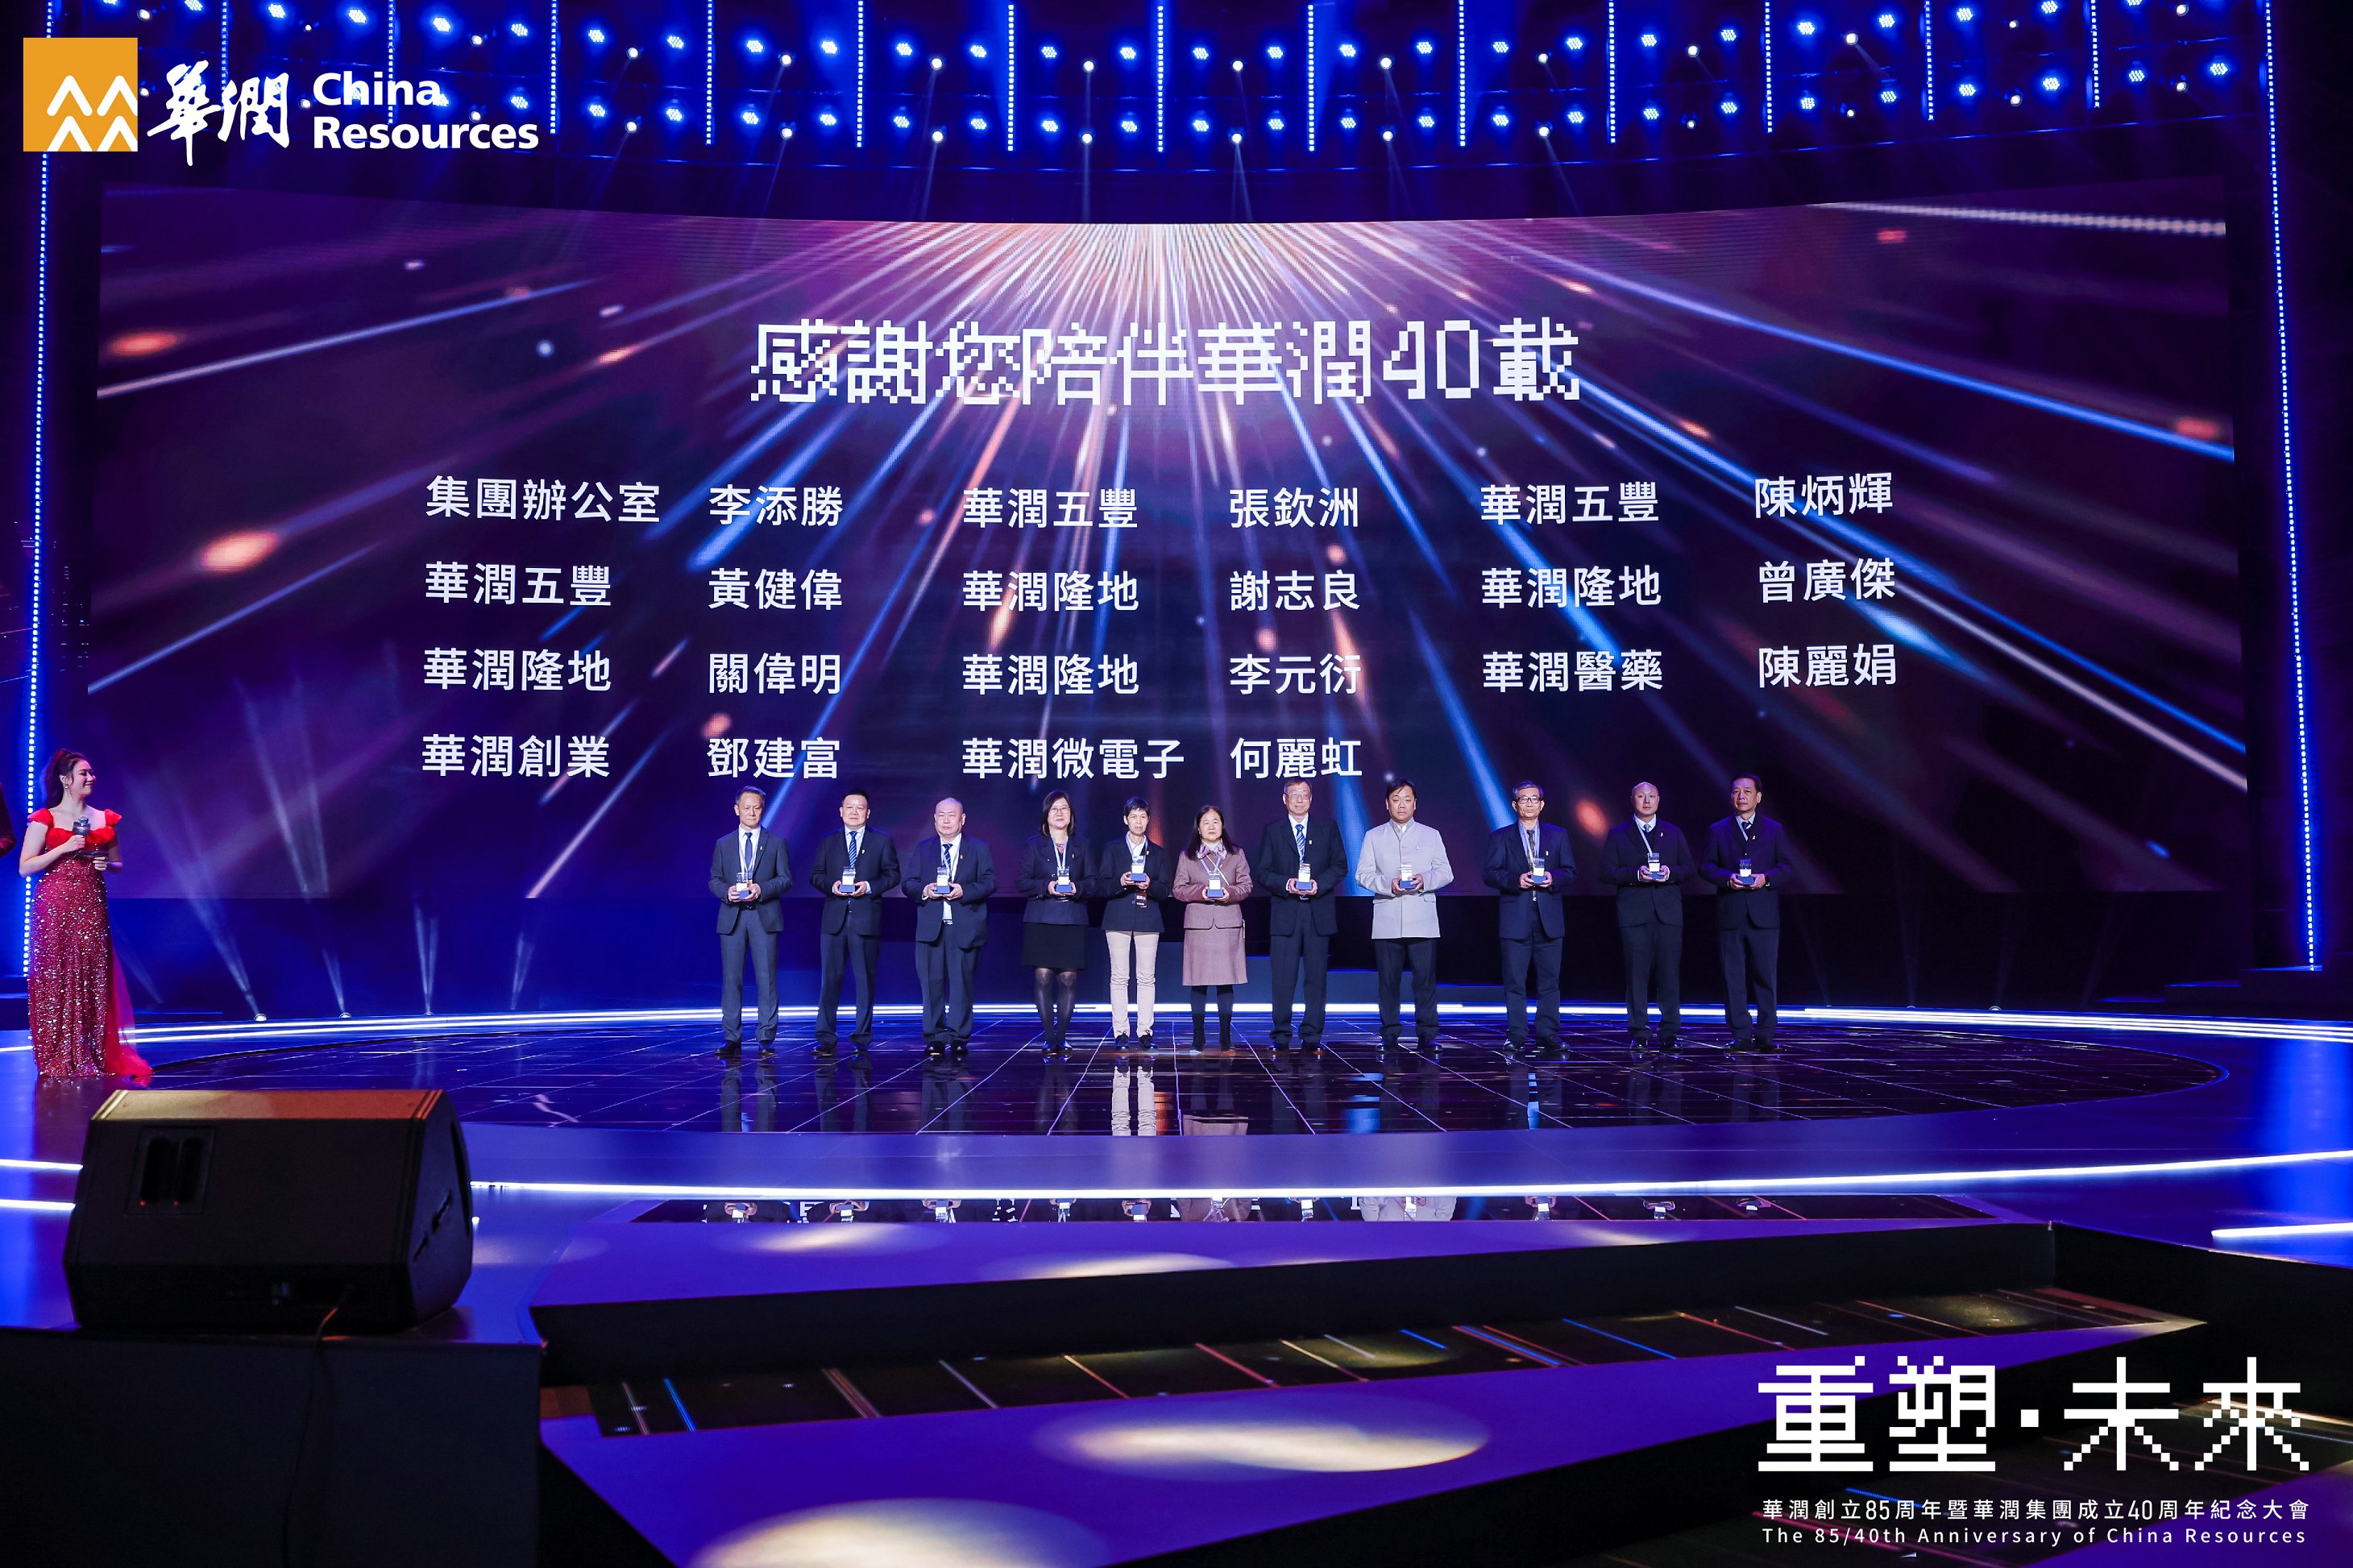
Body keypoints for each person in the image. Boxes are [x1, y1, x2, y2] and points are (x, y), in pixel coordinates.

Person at [21, 750, 146, 1081]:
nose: (91, 778)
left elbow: (118, 863)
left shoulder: (104, 818)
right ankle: (57, 1052)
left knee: (92, 973)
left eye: (91, 773)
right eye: (84, 773)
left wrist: (108, 864)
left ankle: (90, 1051)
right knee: (57, 972)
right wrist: (63, 848)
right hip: (54, 903)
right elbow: (25, 867)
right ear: (65, 780)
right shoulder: (45, 819)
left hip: (91, 901)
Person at [1250, 776, 1347, 1052]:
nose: (1300, 800)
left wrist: (1320, 884)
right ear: (1285, 799)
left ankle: (1312, 1034)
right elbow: (1263, 873)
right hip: (1286, 912)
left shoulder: (1327, 828)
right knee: (1283, 978)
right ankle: (1281, 1035)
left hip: (1318, 912)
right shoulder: (1274, 831)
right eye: (1294, 795)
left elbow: (1340, 866)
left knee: (1316, 978)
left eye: (1305, 795)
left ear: (1311, 799)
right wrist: (1287, 884)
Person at [1355, 779, 1453, 1050]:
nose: (1402, 805)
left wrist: (1424, 880)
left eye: (1407, 799)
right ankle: (1389, 1034)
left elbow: (1446, 872)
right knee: (1388, 981)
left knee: (1425, 980)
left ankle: (1428, 1033)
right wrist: (1388, 884)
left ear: (1415, 804)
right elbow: (1362, 875)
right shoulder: (1373, 836)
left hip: (1423, 919)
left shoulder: (1431, 834)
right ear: (1387, 804)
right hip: (1387, 918)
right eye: (1396, 799)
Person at [1701, 772, 1795, 1054]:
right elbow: (1706, 866)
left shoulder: (1774, 829)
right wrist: (1726, 878)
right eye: (1736, 792)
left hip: (1764, 914)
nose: (1741, 796)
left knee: (1766, 977)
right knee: (1733, 977)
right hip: (1730, 914)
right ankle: (1740, 1034)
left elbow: (1787, 867)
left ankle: (1765, 1034)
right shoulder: (1718, 830)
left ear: (1758, 797)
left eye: (1747, 791)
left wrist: (1766, 878)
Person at [1600, 780, 1694, 1056]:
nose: (1647, 800)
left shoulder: (1673, 832)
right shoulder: (1618, 834)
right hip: (1634, 914)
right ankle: (1639, 1032)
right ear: (1633, 800)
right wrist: (1635, 875)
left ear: (1659, 799)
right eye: (1641, 796)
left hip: (1668, 913)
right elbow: (1605, 871)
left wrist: (1670, 873)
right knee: (1637, 976)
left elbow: (1688, 868)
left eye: (1652, 795)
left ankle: (1670, 1033)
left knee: (1669, 975)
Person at [1481, 779, 1573, 1057]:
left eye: (1534, 799)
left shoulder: (1558, 835)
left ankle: (1548, 1034)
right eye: (1524, 799)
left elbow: (1570, 872)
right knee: (1515, 982)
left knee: (1550, 982)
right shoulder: (1501, 837)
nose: (1530, 803)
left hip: (1549, 918)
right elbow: (1490, 874)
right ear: (1515, 805)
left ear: (1542, 805)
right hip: (1515, 918)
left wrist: (1553, 878)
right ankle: (1517, 1035)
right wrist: (1515, 880)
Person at [807, 789, 898, 1059]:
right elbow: (815, 875)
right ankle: (825, 1038)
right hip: (833, 920)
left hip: (866, 918)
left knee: (865, 981)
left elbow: (893, 875)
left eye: (860, 808)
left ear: (868, 813)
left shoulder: (882, 841)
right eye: (850, 807)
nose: (854, 812)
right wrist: (832, 885)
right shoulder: (828, 842)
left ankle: (862, 1037)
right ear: (841, 811)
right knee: (830, 981)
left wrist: (868, 886)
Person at [903, 797, 995, 1058]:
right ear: (934, 820)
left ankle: (958, 1037)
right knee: (931, 984)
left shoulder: (978, 848)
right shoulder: (924, 849)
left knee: (961, 984)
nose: (946, 820)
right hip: (931, 927)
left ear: (962, 819)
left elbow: (990, 882)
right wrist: (925, 890)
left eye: (951, 815)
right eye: (941, 816)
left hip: (964, 926)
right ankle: (934, 1036)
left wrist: (964, 890)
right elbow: (908, 883)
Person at [710, 785, 790, 1059]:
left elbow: (786, 879)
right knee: (731, 979)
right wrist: (727, 891)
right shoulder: (723, 844)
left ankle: (766, 1036)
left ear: (762, 810)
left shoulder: (776, 843)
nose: (752, 813)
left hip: (763, 916)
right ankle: (731, 1037)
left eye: (757, 808)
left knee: (766, 979)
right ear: (737, 810)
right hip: (732, 916)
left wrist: (761, 888)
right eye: (747, 808)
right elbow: (714, 880)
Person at [1172, 804, 1252, 1051]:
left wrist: (1229, 893)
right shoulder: (1188, 856)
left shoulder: (1236, 854)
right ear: (1198, 828)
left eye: (1215, 821)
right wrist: (1201, 892)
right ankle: (1198, 1036)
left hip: (1227, 923)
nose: (1211, 826)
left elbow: (1247, 885)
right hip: (1199, 926)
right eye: (1206, 822)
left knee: (1225, 982)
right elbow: (1178, 889)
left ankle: (1226, 1036)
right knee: (1198, 982)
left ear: (1222, 825)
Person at [1017, 790, 1092, 1053]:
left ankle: (1062, 1036)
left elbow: (1093, 882)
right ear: (1046, 815)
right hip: (1042, 918)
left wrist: (1077, 888)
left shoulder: (1082, 845)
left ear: (1071, 814)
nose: (1060, 813)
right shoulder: (1033, 845)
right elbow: (1022, 882)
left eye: (1065, 809)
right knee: (1043, 976)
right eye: (1054, 809)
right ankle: (1049, 1037)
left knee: (1069, 978)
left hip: (1072, 917)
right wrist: (1047, 886)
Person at [1096, 795, 1172, 1048]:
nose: (1138, 821)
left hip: (1148, 918)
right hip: (1118, 917)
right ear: (1125, 820)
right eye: (1134, 817)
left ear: (1149, 820)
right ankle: (1121, 1032)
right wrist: (1121, 882)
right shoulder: (1113, 849)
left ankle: (1145, 1031)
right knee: (1119, 977)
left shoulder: (1158, 853)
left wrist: (1150, 885)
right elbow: (1102, 886)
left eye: (1143, 817)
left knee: (1146, 977)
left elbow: (1165, 890)